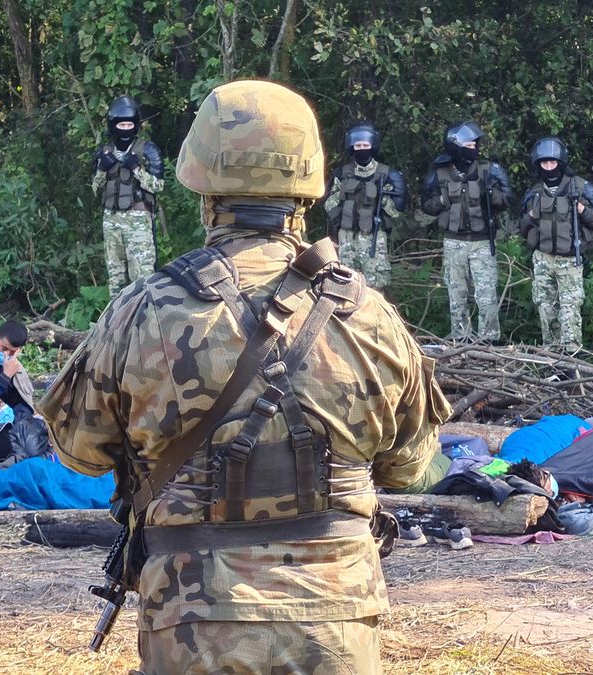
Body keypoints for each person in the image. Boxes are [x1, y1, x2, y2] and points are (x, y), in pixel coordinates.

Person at [40, 79, 450, 674]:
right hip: (336, 619)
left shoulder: (144, 309)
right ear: (306, 193)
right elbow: (412, 469)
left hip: (193, 618)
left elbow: (80, 451)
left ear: (205, 192)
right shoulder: (369, 314)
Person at [420, 121, 513, 342]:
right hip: (453, 242)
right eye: (468, 144)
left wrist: (490, 194)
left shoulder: (489, 170)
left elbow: (508, 200)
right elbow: (426, 205)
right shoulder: (440, 173)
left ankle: (489, 342)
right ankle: (460, 340)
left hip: (482, 242)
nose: (473, 148)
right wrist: (443, 199)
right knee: (456, 295)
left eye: (475, 144)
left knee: (486, 295)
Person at [517, 137, 593, 351]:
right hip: (543, 259)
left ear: (561, 162)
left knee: (570, 309)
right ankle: (551, 356)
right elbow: (522, 227)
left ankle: (571, 356)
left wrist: (582, 211)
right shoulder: (535, 192)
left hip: (570, 259)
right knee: (545, 308)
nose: (548, 167)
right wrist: (531, 214)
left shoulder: (580, 188)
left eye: (552, 162)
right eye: (544, 163)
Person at [92, 96, 166, 297]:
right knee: (115, 277)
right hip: (111, 220)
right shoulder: (104, 153)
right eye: (121, 124)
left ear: (135, 125)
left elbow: (158, 185)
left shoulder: (148, 150)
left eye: (129, 124)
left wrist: (136, 170)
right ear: (113, 125)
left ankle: (145, 322)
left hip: (138, 220)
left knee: (143, 277)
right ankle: (116, 323)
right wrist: (101, 169)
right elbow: (95, 189)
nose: (125, 128)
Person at [323, 122, 407, 289]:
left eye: (365, 145)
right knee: (345, 285)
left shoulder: (386, 175)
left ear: (372, 145)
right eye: (358, 145)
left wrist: (381, 198)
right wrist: (343, 194)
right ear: (352, 146)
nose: (361, 149)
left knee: (375, 289)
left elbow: (396, 212)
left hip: (374, 239)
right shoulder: (342, 174)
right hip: (346, 239)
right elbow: (327, 205)